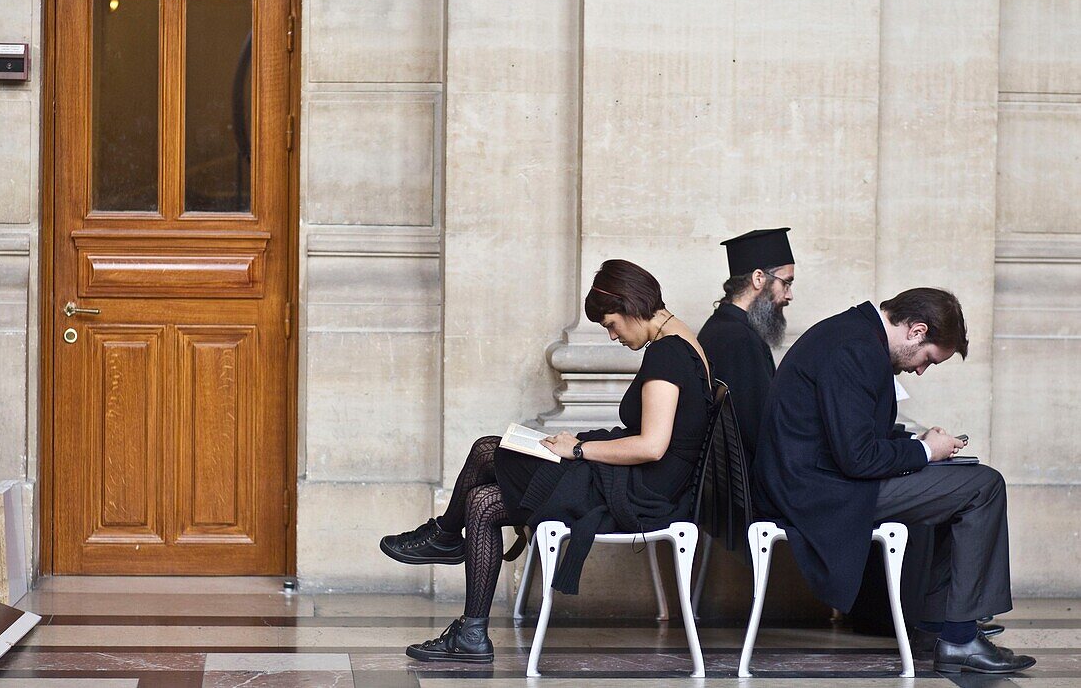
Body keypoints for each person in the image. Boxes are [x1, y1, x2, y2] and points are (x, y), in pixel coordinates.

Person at [379, 259, 712, 663]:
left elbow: (652, 446)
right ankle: (468, 625)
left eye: (611, 324)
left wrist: (576, 449)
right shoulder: (682, 338)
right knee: (483, 500)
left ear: (630, 306)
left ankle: (448, 540)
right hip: (644, 484)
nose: (612, 336)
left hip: (641, 494)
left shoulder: (667, 355)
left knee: (488, 450)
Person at [751, 288, 1035, 674]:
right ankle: (959, 637)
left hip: (818, 479)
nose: (920, 370)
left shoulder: (854, 335)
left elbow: (851, 439)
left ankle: (938, 629)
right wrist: (925, 453)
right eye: (928, 360)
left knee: (963, 481)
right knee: (983, 486)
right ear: (917, 331)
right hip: (817, 492)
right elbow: (857, 458)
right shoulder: (854, 348)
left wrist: (921, 446)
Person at [698, 228, 794, 459]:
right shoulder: (739, 339)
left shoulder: (724, 328)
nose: (789, 296)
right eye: (786, 283)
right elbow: (759, 428)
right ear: (758, 278)